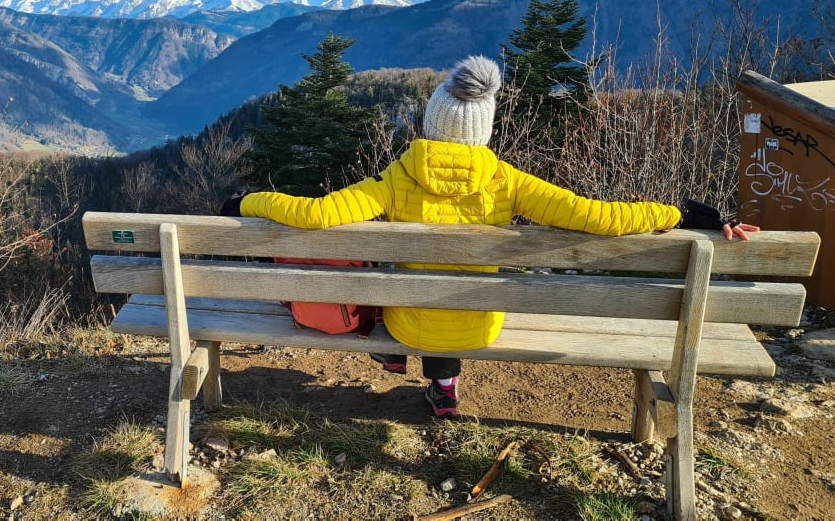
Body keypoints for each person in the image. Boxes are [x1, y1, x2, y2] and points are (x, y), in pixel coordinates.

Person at [223, 55, 758, 418]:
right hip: (480, 324)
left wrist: (245, 202)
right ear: (484, 128)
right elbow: (598, 216)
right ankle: (445, 386)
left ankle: (394, 357)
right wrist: (682, 213)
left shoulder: (396, 178)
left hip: (409, 320)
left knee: (394, 285)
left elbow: (316, 214)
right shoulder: (509, 181)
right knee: (454, 293)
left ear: (432, 123)